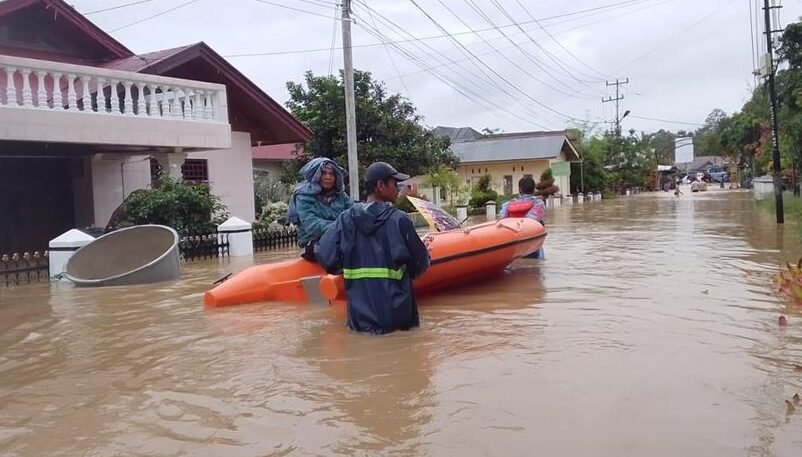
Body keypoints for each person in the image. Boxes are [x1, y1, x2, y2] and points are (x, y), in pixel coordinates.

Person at [316, 162, 431, 335]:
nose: (397, 188)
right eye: (394, 183)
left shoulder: (345, 220)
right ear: (380, 185)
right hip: (397, 319)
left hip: (359, 320)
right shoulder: (400, 221)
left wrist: (348, 265)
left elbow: (325, 256)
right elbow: (420, 265)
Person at [287, 158, 354, 261]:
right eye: (323, 173)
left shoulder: (341, 195)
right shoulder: (303, 196)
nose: (328, 177)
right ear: (316, 176)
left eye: (331, 174)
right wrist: (341, 227)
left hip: (340, 239)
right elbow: (312, 225)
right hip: (313, 244)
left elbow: (354, 212)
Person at [498, 176, 546, 259]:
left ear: (520, 189)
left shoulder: (508, 204)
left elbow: (502, 221)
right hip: (532, 243)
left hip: (513, 244)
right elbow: (534, 220)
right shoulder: (538, 203)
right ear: (534, 189)